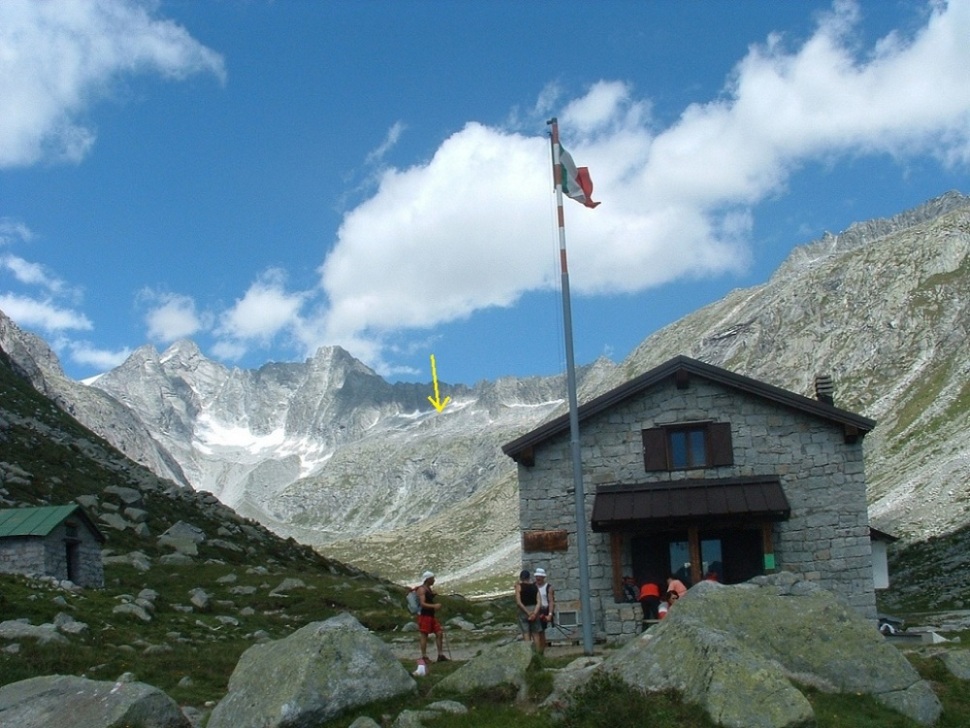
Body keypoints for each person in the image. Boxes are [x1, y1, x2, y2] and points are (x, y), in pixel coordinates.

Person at [416, 571, 447, 662]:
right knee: (424, 635)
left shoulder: (428, 589)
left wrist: (432, 596)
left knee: (439, 633)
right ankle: (424, 656)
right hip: (425, 616)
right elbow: (422, 603)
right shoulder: (422, 589)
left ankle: (440, 655)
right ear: (428, 579)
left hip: (431, 615)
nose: (434, 580)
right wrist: (434, 606)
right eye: (432, 578)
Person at [514, 569, 540, 643]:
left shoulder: (519, 587)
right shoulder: (535, 587)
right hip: (534, 609)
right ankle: (538, 652)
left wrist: (528, 613)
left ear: (521, 578)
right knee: (536, 633)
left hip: (523, 611)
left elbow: (518, 602)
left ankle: (529, 652)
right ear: (529, 577)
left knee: (526, 632)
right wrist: (534, 613)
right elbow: (539, 601)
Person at [533, 567, 555, 655]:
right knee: (536, 631)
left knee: (541, 631)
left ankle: (541, 651)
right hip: (535, 610)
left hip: (544, 610)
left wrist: (550, 614)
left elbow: (551, 601)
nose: (538, 578)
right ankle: (538, 650)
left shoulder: (548, 587)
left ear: (543, 577)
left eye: (539, 576)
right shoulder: (533, 587)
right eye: (537, 576)